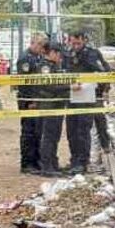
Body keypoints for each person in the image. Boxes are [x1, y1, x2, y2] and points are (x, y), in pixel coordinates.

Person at [65, 30, 109, 173]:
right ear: (69, 41)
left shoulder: (92, 54)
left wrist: (102, 90)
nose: (76, 46)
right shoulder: (67, 54)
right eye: (73, 43)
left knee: (83, 130)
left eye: (78, 43)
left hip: (89, 97)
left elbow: (103, 71)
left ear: (84, 40)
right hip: (71, 97)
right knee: (71, 130)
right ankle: (74, 160)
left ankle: (83, 162)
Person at [15, 34, 48, 174]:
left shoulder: (38, 57)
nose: (42, 49)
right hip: (28, 100)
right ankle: (27, 164)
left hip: (37, 99)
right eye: (41, 45)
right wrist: (31, 101)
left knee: (37, 132)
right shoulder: (25, 59)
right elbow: (25, 83)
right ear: (34, 43)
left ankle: (36, 161)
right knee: (29, 132)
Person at [36, 41, 70, 177]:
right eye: (57, 53)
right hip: (49, 104)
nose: (59, 56)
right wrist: (69, 87)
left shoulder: (54, 66)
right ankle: (46, 166)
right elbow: (49, 86)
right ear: (50, 53)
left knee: (55, 135)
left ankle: (53, 163)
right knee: (49, 136)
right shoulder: (45, 67)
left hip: (57, 104)